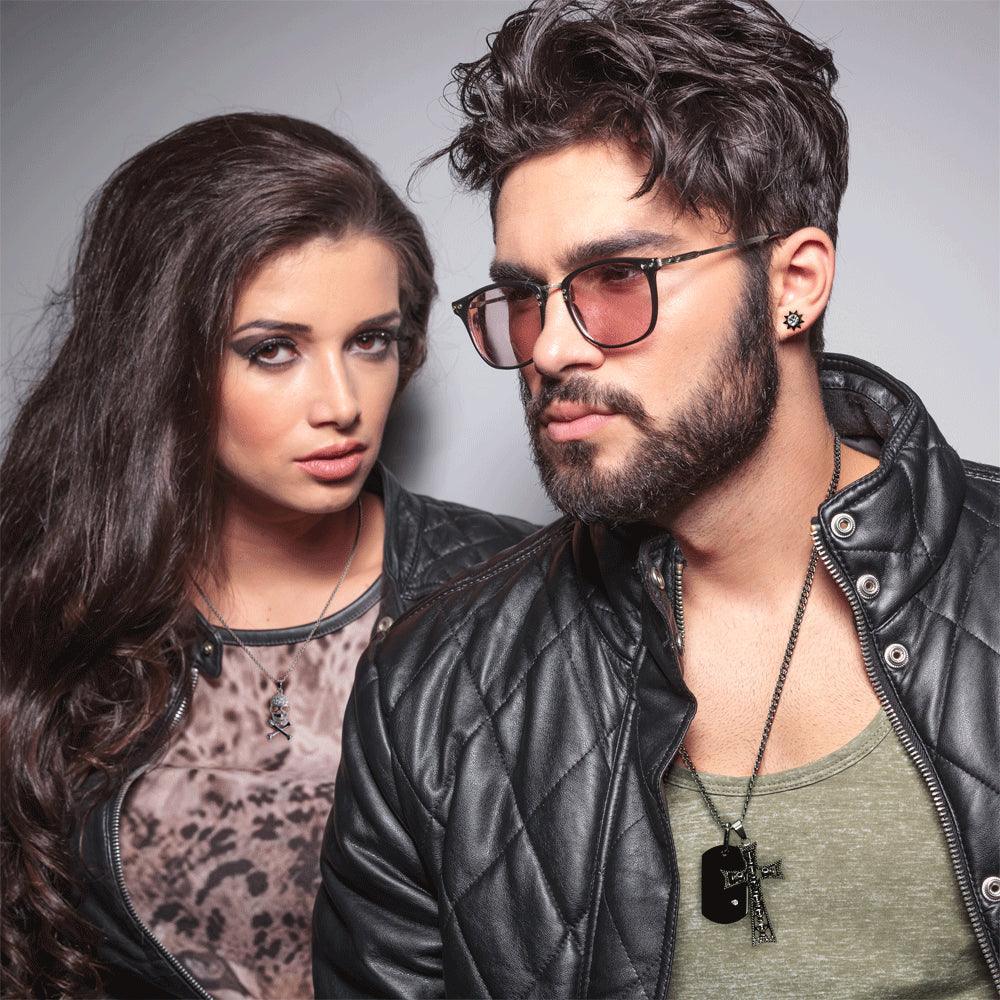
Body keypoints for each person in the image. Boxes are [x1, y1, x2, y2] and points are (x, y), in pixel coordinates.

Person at [313, 2, 1000, 997]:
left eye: (616, 278)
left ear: (793, 282)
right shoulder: (428, 697)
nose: (551, 348)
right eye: (525, 297)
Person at [0, 112, 534, 999]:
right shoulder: (55, 604)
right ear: (159, 361)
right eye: (273, 350)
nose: (341, 403)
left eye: (370, 340)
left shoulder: (513, 590)